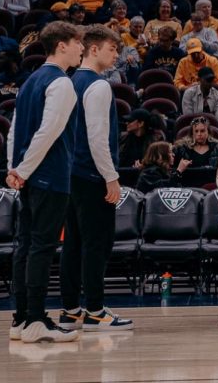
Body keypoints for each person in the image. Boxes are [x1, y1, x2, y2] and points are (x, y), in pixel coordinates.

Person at [6, 22, 84, 343]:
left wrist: (14, 168)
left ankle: (21, 318)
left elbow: (13, 131)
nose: (82, 49)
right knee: (41, 247)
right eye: (78, 43)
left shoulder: (30, 81)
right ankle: (37, 319)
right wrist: (22, 169)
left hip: (27, 176)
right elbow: (49, 131)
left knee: (25, 245)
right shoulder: (62, 83)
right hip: (49, 176)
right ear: (62, 45)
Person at [57, 26, 133, 332]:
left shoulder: (70, 82)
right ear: (93, 50)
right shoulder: (98, 86)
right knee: (96, 244)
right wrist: (111, 178)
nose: (115, 55)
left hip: (70, 174)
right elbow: (98, 139)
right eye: (111, 49)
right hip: (92, 174)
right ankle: (96, 310)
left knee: (73, 244)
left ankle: (71, 310)